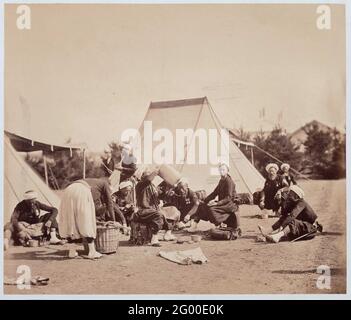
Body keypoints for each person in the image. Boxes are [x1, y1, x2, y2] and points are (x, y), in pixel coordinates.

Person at [59, 178, 116, 259]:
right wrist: (113, 220)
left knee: (72, 221)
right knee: (87, 221)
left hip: (68, 190)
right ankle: (92, 252)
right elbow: (110, 203)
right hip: (82, 190)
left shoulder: (93, 182)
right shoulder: (104, 183)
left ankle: (72, 251)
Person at [187, 163, 241, 235]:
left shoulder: (229, 181)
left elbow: (229, 197)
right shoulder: (221, 180)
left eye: (223, 170)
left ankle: (219, 224)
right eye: (220, 170)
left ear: (227, 170)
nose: (221, 171)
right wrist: (204, 201)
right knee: (202, 206)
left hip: (230, 204)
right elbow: (214, 193)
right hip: (223, 203)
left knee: (211, 209)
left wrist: (217, 203)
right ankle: (194, 225)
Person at [258, 185, 323, 243]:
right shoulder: (292, 202)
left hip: (309, 227)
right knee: (285, 218)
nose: (288, 194)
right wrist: (280, 201)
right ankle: (268, 231)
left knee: (292, 220)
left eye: (290, 193)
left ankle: (278, 236)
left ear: (296, 195)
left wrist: (282, 226)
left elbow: (293, 215)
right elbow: (284, 214)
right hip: (301, 225)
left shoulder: (302, 203)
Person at [133, 167, 178, 246]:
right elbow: (148, 179)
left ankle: (168, 233)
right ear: (142, 176)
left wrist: (167, 193)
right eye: (146, 174)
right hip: (143, 210)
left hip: (154, 209)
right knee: (158, 214)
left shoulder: (152, 186)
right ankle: (154, 238)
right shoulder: (140, 185)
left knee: (174, 210)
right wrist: (157, 170)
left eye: (149, 173)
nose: (149, 175)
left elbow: (160, 196)